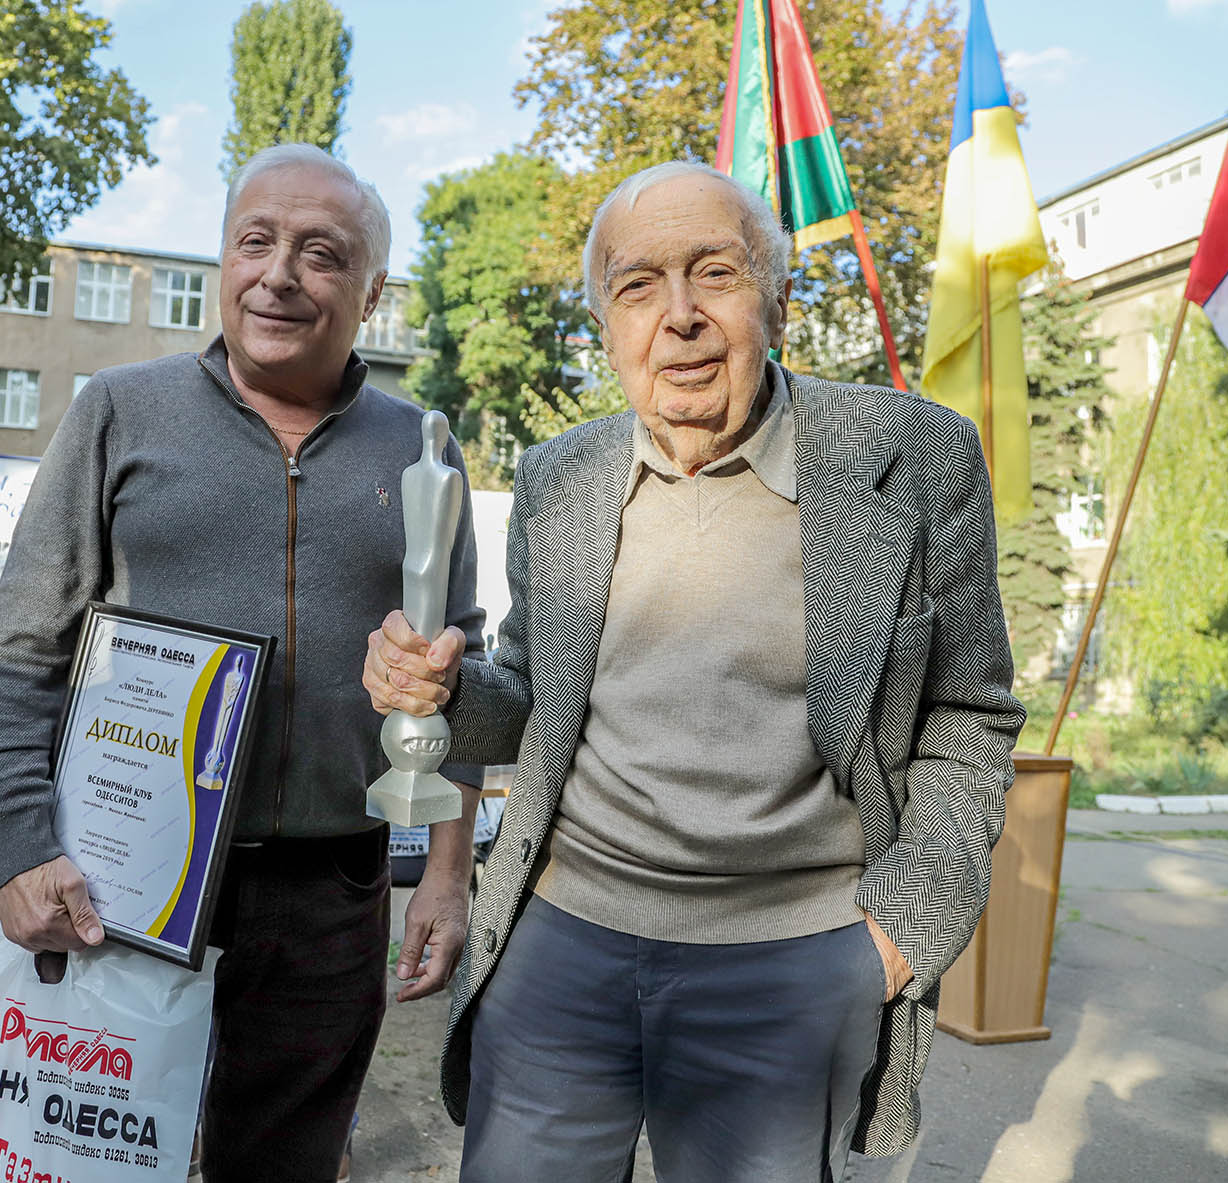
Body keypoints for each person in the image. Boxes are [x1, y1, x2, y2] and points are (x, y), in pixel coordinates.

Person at [363, 160, 1023, 1181]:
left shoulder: (913, 456)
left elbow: (968, 715)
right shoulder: (560, 476)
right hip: (561, 945)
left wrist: (898, 933)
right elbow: (533, 700)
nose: (679, 316)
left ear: (777, 300)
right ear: (606, 327)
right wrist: (443, 695)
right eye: (637, 287)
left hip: (796, 962)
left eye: (715, 273)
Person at [0, 143, 485, 1182]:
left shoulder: (423, 449)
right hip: (122, 880)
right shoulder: (119, 411)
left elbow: (461, 673)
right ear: (222, 262)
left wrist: (446, 876)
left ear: (373, 292)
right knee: (99, 1162)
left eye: (321, 254)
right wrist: (16, 846)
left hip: (331, 893)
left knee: (285, 1164)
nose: (278, 274)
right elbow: (23, 650)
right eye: (255, 242)